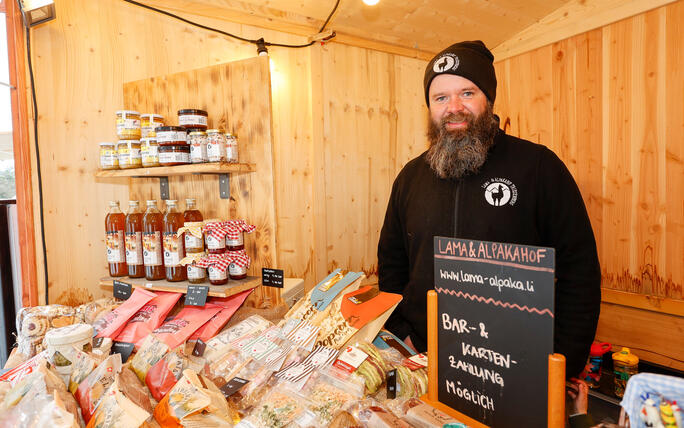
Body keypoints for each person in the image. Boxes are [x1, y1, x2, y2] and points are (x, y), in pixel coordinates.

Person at [377, 40, 601, 378]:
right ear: (430, 108)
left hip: (515, 368)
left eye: (467, 93)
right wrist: (400, 333)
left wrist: (562, 362)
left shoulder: (538, 167)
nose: (454, 107)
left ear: (488, 99)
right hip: (423, 358)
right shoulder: (410, 177)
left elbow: (579, 269)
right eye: (440, 98)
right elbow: (392, 262)